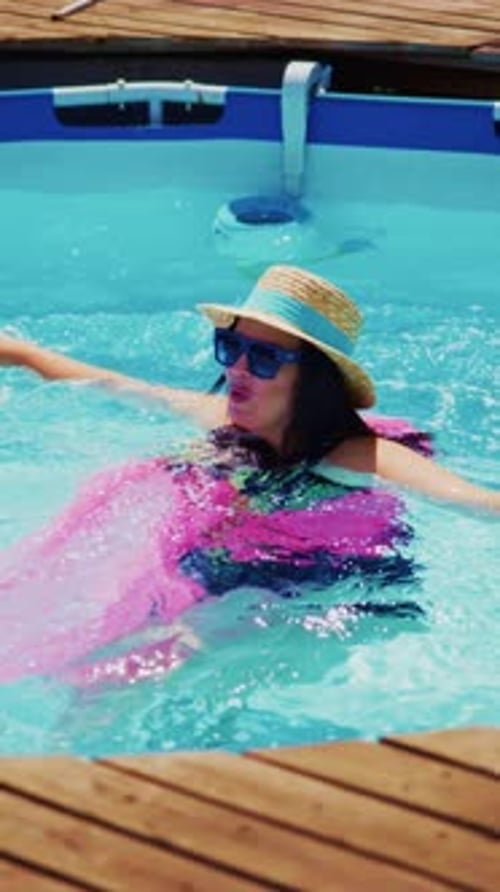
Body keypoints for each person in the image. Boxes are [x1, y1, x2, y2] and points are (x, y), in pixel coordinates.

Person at [0, 264, 498, 686]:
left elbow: (476, 503)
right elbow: (111, 384)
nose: (238, 368)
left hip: (316, 587)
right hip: (238, 563)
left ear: (313, 381)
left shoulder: (360, 454)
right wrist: (19, 354)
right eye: (230, 346)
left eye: (264, 358)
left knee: (134, 670)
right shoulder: (230, 423)